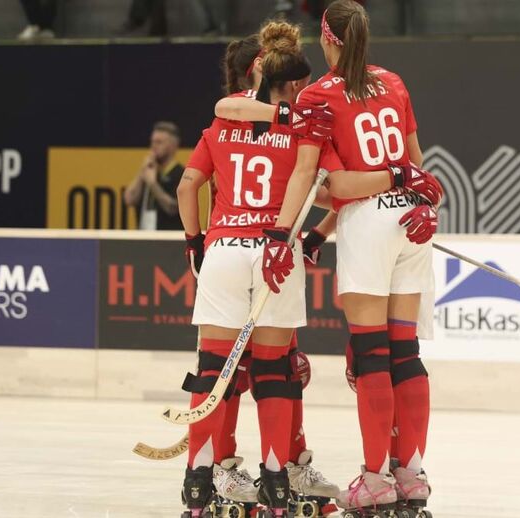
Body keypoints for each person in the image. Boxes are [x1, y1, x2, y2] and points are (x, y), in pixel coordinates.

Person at [214, 2, 443, 516]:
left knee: (372, 356)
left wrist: (281, 235)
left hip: (368, 223)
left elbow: (330, 184)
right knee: (405, 353)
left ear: (326, 38)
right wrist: (422, 200)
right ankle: (412, 475)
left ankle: (376, 479)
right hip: (412, 222)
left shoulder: (319, 95)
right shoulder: (394, 82)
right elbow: (417, 165)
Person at [176, 20, 342, 518]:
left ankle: (199, 480)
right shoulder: (303, 124)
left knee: (212, 371)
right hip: (275, 250)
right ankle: (277, 480)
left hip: (225, 247)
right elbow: (332, 189)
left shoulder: (224, 120)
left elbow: (186, 186)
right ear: (291, 80)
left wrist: (194, 242)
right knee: (276, 373)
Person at [124, 121, 185, 231]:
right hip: (144, 234)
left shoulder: (181, 173)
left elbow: (173, 208)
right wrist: (142, 172)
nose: (153, 146)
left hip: (169, 236)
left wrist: (153, 184)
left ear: (173, 146)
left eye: (159, 142)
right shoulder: (149, 170)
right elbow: (129, 199)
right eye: (152, 142)